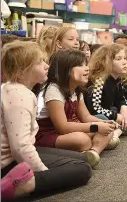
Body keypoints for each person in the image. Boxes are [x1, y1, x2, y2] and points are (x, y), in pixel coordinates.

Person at [1, 41, 91, 200]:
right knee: (83, 169)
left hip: (23, 151)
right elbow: (20, 147)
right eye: (39, 62)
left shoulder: (16, 90)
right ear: (23, 69)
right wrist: (44, 175)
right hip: (10, 162)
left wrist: (102, 125)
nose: (46, 66)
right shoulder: (22, 94)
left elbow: (87, 117)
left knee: (82, 158)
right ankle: (23, 184)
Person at [35, 49, 118, 169]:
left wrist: (104, 124)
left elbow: (86, 117)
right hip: (48, 133)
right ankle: (95, 145)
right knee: (82, 140)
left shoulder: (76, 90)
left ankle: (93, 152)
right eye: (80, 65)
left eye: (86, 63)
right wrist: (96, 127)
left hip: (69, 129)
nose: (87, 68)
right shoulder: (53, 89)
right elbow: (62, 127)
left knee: (106, 130)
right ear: (65, 69)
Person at [84, 44, 127, 136]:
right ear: (106, 62)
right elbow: (95, 108)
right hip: (97, 115)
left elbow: (121, 98)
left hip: (111, 111)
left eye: (124, 58)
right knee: (101, 117)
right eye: (118, 59)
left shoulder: (117, 78)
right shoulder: (99, 80)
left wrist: (124, 107)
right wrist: (115, 116)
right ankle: (123, 128)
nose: (125, 62)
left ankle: (117, 132)